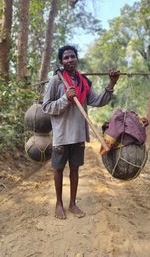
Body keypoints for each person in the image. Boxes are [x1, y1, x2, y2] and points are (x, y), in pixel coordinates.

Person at [42, 45, 120, 219]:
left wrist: (111, 83)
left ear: (77, 59)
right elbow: (46, 107)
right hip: (61, 135)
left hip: (78, 134)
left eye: (72, 56)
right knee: (58, 169)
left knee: (75, 169)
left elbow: (99, 101)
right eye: (66, 57)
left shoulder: (83, 82)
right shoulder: (56, 81)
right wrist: (65, 98)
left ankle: (73, 203)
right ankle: (59, 204)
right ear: (61, 61)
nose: (70, 60)